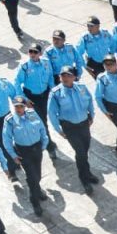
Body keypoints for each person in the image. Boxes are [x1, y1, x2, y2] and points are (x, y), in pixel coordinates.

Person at [48, 66, 99, 194]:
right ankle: (84, 179)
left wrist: (91, 116)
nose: (65, 78)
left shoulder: (82, 88)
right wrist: (58, 129)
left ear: (74, 77)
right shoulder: (56, 93)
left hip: (84, 124)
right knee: (80, 152)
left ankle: (87, 173)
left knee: (85, 150)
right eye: (63, 75)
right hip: (69, 127)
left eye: (68, 75)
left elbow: (90, 101)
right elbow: (52, 113)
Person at [2, 96, 50, 216]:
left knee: (38, 175)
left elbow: (42, 128)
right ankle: (35, 201)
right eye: (16, 107)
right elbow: (6, 139)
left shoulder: (32, 114)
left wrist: (44, 143)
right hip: (23, 151)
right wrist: (13, 155)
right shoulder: (10, 120)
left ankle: (37, 190)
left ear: (25, 107)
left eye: (21, 106)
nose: (19, 109)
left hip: (37, 148)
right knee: (32, 176)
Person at [14, 43, 58, 160]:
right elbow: (17, 83)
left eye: (35, 52)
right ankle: (50, 147)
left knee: (45, 120)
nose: (32, 54)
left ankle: (43, 140)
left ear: (40, 53)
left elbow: (50, 77)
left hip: (45, 95)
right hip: (32, 99)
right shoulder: (25, 67)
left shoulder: (46, 62)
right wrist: (25, 99)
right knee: (42, 122)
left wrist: (53, 90)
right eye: (30, 52)